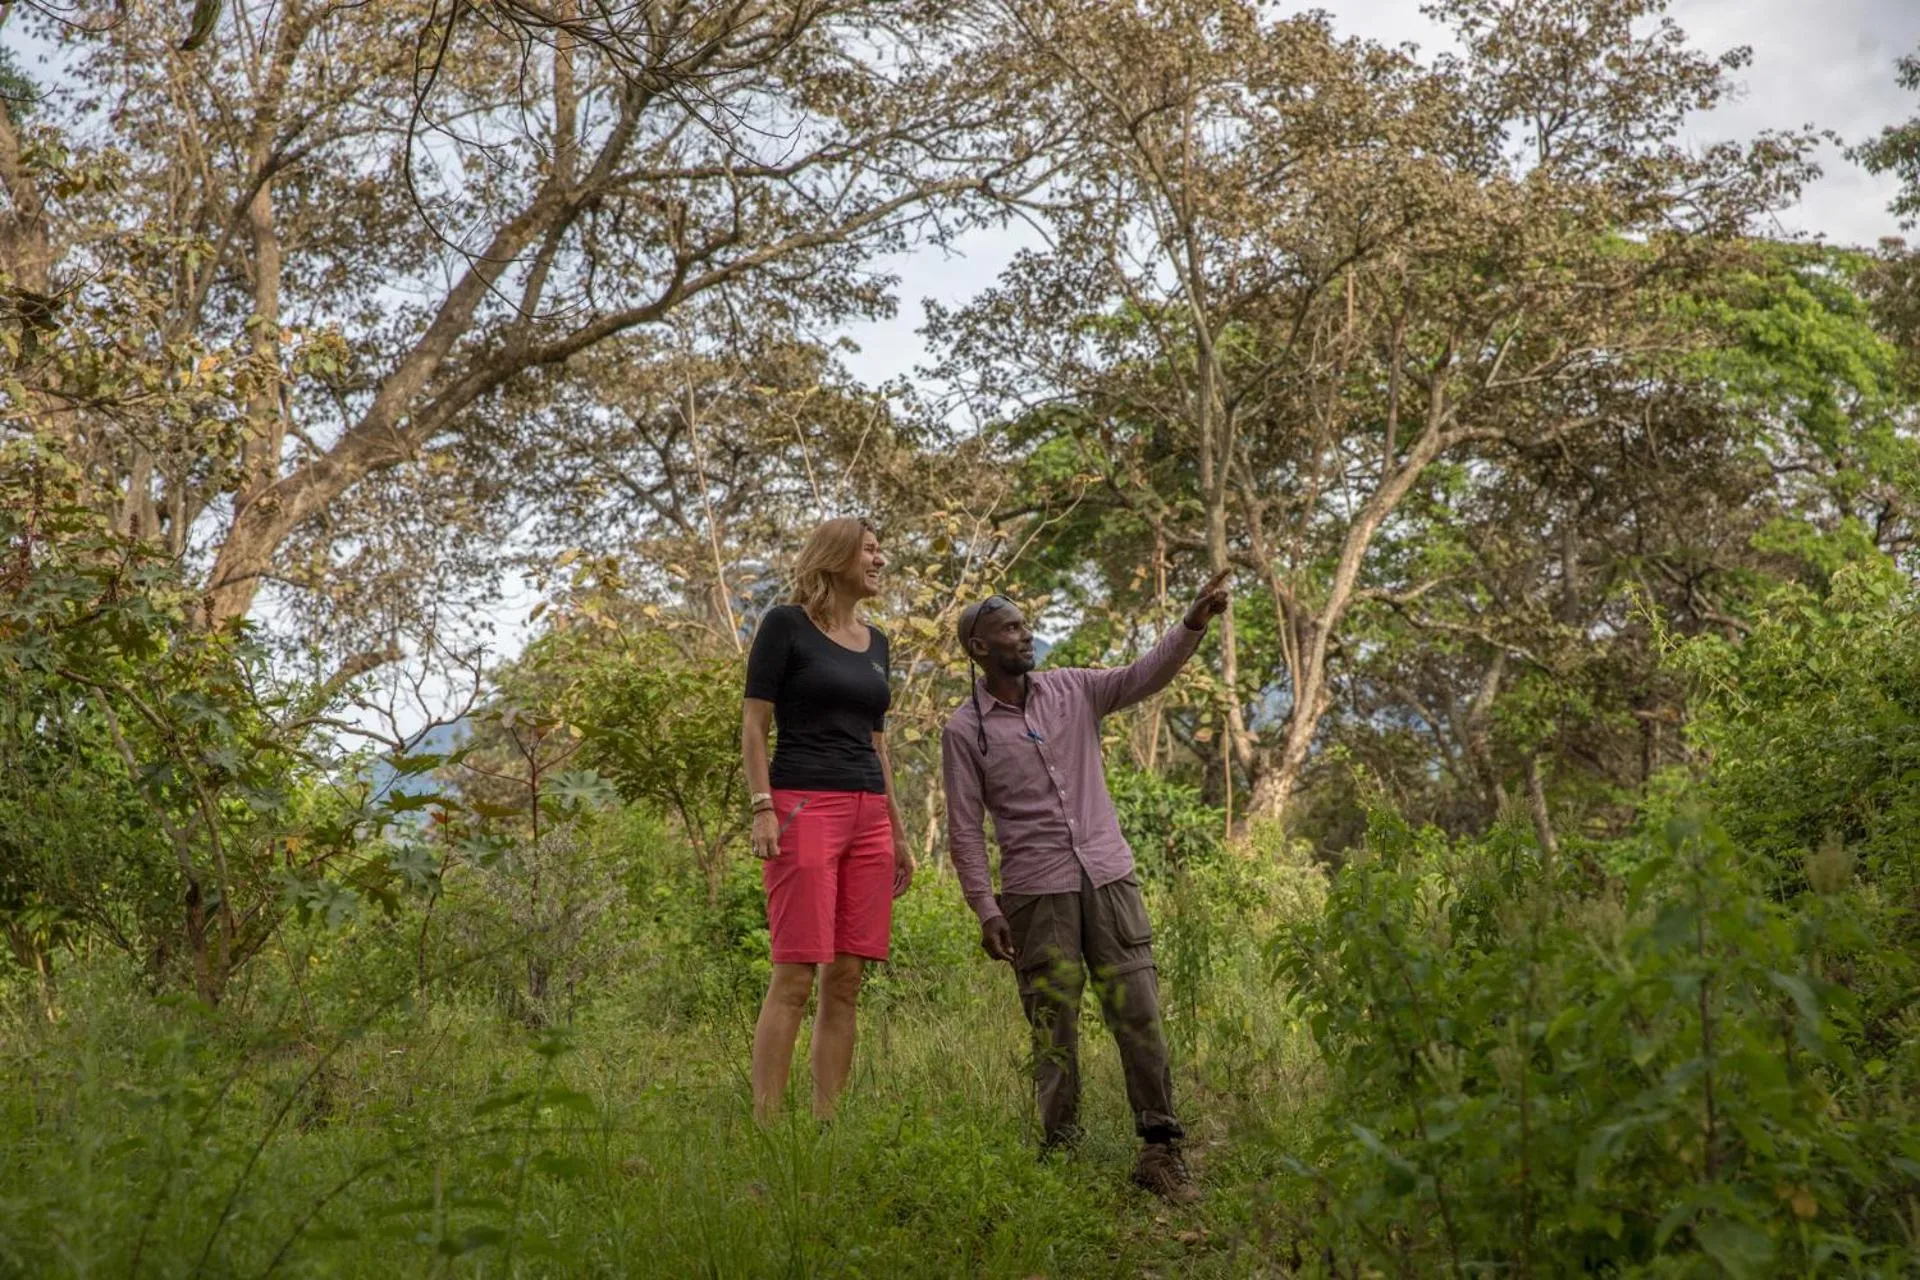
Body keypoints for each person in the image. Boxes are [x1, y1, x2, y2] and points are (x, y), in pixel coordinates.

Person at [941, 571, 1231, 1203]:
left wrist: (1193, 622)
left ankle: (1159, 1149)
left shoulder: (1074, 688)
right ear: (979, 648)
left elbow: (1144, 675)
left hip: (1108, 877)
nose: (1026, 635)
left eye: (1025, 624)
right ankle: (1061, 1155)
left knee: (1139, 1012)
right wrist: (985, 908)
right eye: (1010, 628)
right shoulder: (964, 731)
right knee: (1053, 1027)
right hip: (1035, 895)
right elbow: (964, 830)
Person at [741, 517, 915, 1123]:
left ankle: (826, 1125)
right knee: (795, 972)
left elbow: (877, 745)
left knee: (846, 979)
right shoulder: (785, 626)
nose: (880, 560)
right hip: (804, 807)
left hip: (869, 815)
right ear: (836, 556)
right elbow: (754, 727)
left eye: (880, 549)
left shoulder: (879, 643)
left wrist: (897, 831)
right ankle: (767, 1124)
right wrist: (763, 807)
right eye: (870, 549)